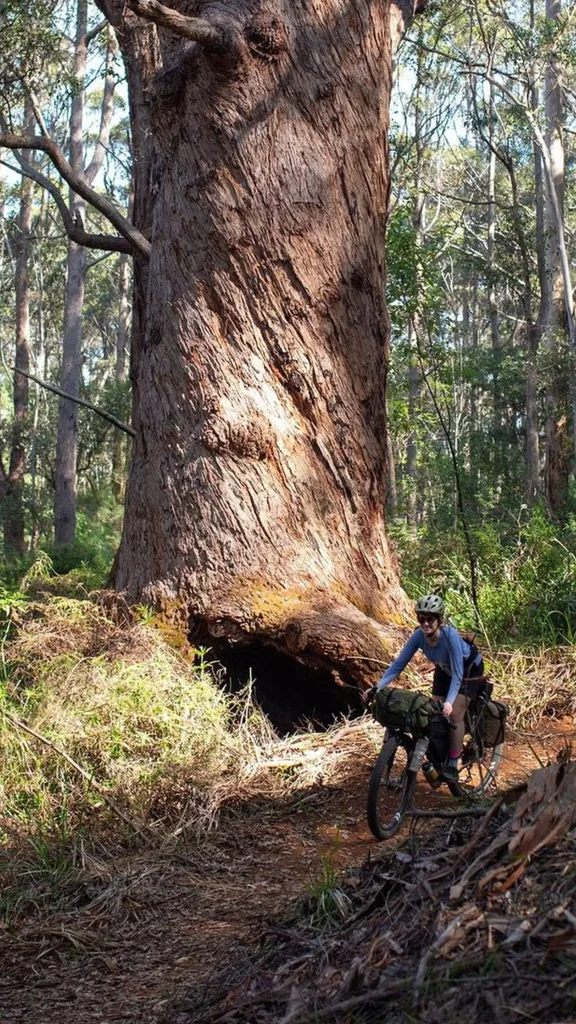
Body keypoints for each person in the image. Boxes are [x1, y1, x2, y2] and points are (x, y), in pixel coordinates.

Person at [364, 594, 485, 781]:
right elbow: (398, 664)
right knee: (433, 713)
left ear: (439, 620)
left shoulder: (449, 635)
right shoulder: (419, 636)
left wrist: (450, 702)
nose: (425, 623)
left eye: (430, 619)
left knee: (454, 714)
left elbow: (459, 673)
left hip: (468, 668)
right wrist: (377, 687)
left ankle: (453, 762)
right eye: (421, 618)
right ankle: (440, 753)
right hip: (444, 669)